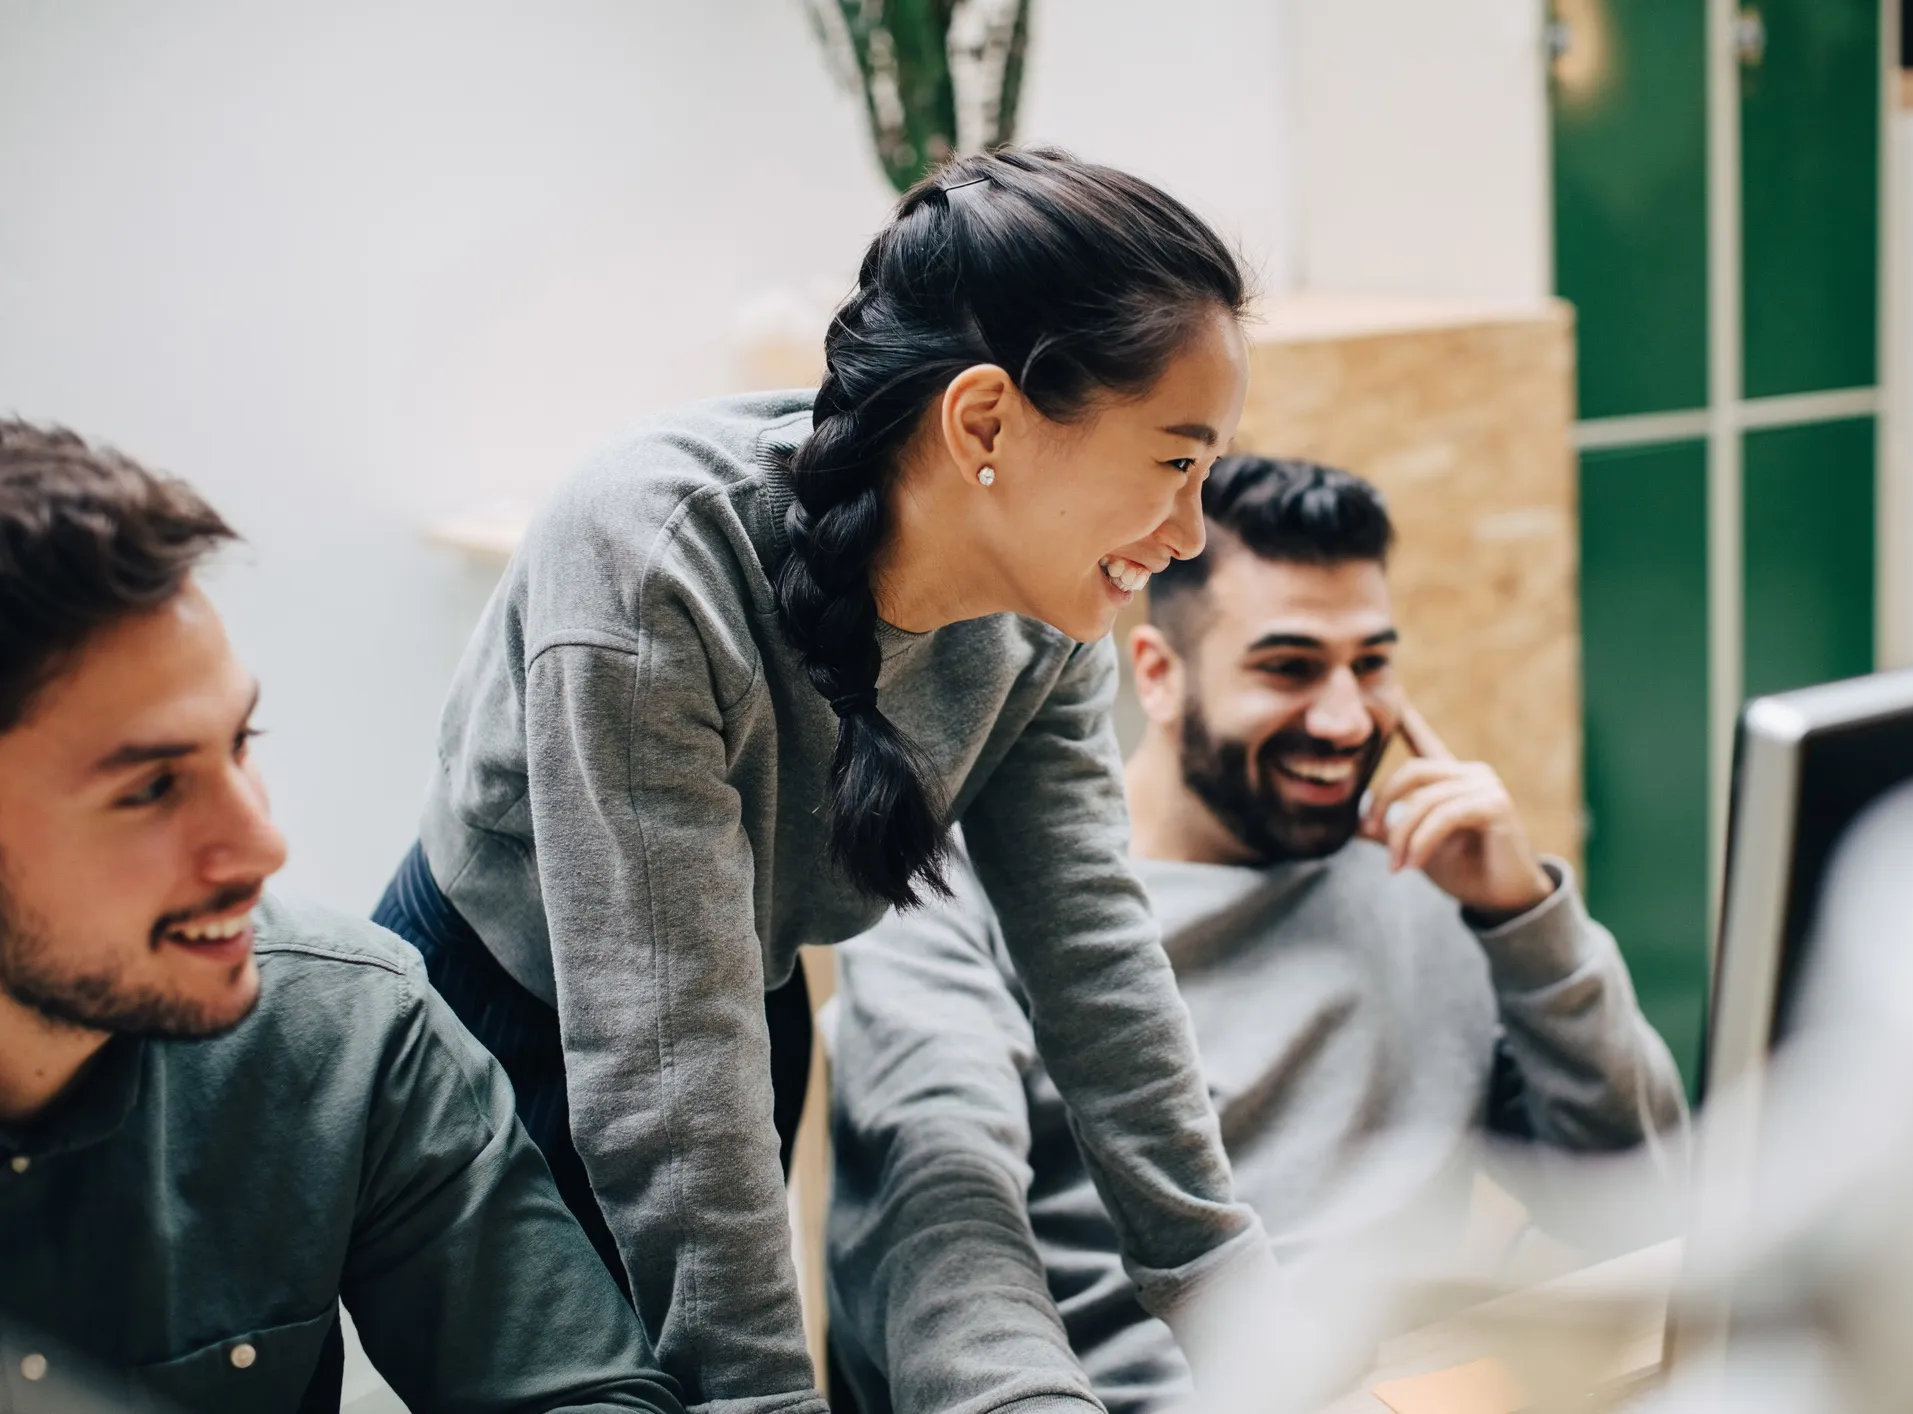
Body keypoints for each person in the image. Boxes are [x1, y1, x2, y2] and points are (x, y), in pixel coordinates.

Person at [373, 146, 1272, 1413]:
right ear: (984, 424)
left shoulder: (1052, 610)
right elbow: (661, 1060)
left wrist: (1252, 1318)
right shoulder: (647, 561)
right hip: (499, 1029)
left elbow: (1093, 957)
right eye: (1176, 462)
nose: (1189, 534)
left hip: (740, 994)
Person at [827, 455, 1688, 1414]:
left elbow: (1643, 1199)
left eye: (1371, 664)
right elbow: (932, 1266)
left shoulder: (1427, 878)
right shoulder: (952, 902)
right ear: (1156, 675)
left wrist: (1522, 915)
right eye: (1287, 667)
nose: (1341, 716)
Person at [0, 422, 684, 1414]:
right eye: (150, 788)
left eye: (239, 744)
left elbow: (587, 1397)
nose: (262, 845)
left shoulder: (347, 1026)